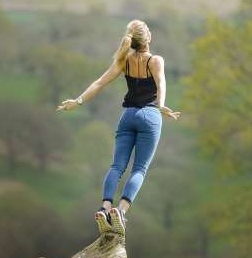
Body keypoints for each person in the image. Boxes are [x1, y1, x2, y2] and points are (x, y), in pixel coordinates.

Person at [56, 19, 180, 235]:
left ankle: (104, 208)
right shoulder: (155, 60)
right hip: (149, 116)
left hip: (128, 116)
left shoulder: (124, 61)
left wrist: (78, 101)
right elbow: (161, 83)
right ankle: (120, 211)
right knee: (139, 169)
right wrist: (160, 106)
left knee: (116, 166)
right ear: (148, 38)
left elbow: (99, 83)